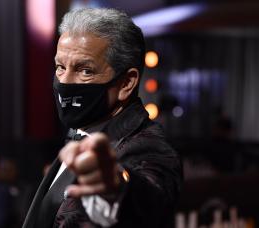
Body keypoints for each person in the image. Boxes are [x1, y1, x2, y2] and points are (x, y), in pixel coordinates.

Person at [23, 8, 182, 228]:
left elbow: (151, 199)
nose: (65, 81)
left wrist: (117, 188)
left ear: (126, 83)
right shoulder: (82, 133)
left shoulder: (148, 146)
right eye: (60, 67)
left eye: (85, 70)